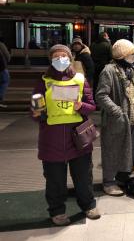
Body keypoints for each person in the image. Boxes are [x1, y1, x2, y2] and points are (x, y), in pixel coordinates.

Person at [30, 44, 100, 225]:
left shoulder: (79, 79)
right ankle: (57, 211)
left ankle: (88, 205)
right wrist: (39, 111)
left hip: (78, 138)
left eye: (64, 56)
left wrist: (81, 106)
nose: (60, 59)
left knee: (83, 176)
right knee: (55, 180)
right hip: (51, 139)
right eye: (56, 56)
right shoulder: (43, 81)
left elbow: (92, 105)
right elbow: (34, 110)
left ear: (70, 58)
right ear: (51, 60)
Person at [95, 39, 134, 196]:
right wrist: (116, 111)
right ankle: (108, 182)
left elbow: (131, 91)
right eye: (131, 54)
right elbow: (101, 95)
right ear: (122, 54)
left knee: (126, 150)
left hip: (132, 117)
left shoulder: (130, 70)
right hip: (116, 119)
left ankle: (121, 177)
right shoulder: (109, 70)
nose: (133, 56)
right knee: (112, 150)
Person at [0, 34, 10, 106]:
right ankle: (0, 99)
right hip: (1, 67)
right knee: (5, 80)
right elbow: (7, 56)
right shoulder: (1, 44)